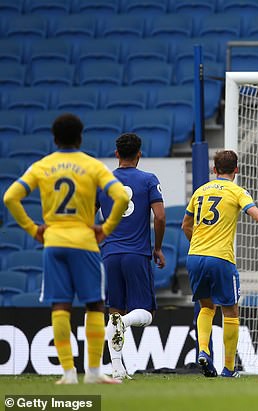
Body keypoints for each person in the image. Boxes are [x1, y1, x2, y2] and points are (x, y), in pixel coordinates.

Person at [3, 113, 129, 384]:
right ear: (80, 137)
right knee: (94, 304)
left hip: (54, 243)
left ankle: (68, 373)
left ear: (55, 138)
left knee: (60, 306)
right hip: (85, 242)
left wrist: (32, 228)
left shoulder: (42, 166)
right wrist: (105, 228)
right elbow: (120, 196)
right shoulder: (92, 166)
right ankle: (93, 372)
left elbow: (10, 196)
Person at [182, 149, 258, 378]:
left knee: (206, 307)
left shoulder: (200, 191)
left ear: (214, 169)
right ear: (236, 170)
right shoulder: (237, 191)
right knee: (230, 311)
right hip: (221, 258)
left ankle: (203, 351)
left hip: (194, 257)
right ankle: (229, 369)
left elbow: (185, 226)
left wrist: (200, 246)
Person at [96, 133, 166, 381]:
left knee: (114, 311)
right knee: (145, 314)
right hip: (136, 254)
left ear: (116, 154)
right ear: (139, 154)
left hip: (110, 254)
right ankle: (124, 323)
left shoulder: (103, 181)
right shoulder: (148, 180)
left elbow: (88, 215)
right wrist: (157, 248)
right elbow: (159, 217)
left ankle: (117, 369)